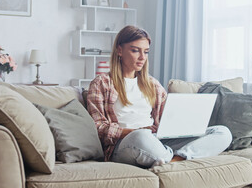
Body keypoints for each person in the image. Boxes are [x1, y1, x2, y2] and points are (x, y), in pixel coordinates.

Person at [87, 25, 232, 168]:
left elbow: (168, 117)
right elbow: (98, 127)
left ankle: (175, 160)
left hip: (156, 139)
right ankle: (173, 158)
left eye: (146, 52)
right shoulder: (102, 83)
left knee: (222, 132)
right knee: (141, 137)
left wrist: (180, 127)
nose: (142, 57)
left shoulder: (152, 84)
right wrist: (134, 131)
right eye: (135, 50)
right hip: (125, 143)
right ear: (119, 50)